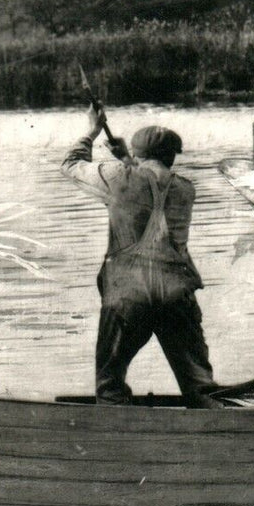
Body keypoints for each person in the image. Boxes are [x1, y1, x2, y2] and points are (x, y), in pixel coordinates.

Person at [60, 106, 220, 408]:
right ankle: (222, 434)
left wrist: (92, 131)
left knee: (109, 384)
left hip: (127, 298)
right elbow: (154, 183)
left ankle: (118, 439)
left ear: (138, 153)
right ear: (173, 156)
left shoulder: (118, 179)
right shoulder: (187, 190)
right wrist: (128, 159)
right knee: (200, 387)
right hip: (176, 296)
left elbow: (71, 164)